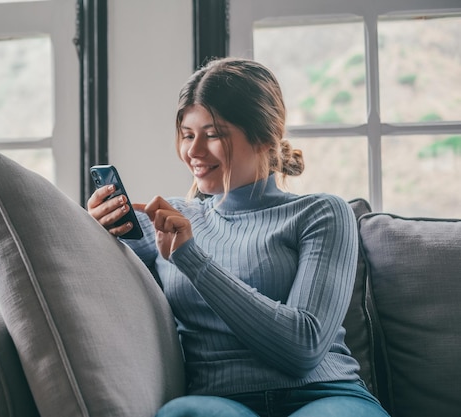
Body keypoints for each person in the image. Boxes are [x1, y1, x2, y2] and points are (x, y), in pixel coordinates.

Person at [87, 57, 389, 417]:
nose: (194, 152)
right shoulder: (164, 222)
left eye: (213, 135)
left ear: (263, 136)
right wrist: (92, 232)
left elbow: (303, 348)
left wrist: (192, 259)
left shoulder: (322, 213)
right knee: (182, 413)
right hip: (219, 402)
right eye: (187, 135)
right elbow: (83, 285)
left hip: (325, 395)